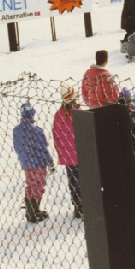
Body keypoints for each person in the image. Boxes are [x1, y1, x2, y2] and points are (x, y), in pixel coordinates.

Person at [13, 102, 54, 223]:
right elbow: (43, 148)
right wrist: (50, 161)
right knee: (38, 185)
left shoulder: (16, 130)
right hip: (38, 163)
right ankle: (34, 211)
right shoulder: (36, 130)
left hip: (26, 164)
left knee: (30, 184)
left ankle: (29, 210)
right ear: (32, 115)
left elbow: (16, 147)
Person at [53, 84, 82, 219]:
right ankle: (85, 203)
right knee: (84, 180)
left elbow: (56, 136)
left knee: (73, 181)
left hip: (68, 155)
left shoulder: (58, 115)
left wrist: (60, 153)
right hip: (81, 153)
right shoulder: (78, 112)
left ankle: (78, 205)